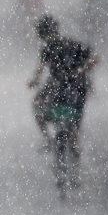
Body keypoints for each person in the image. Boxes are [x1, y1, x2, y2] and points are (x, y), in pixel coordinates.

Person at [26, 15, 98, 153]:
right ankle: (66, 142)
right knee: (43, 105)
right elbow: (40, 67)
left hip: (72, 85)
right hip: (64, 85)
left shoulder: (69, 45)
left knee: (42, 106)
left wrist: (81, 69)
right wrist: (35, 79)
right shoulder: (61, 46)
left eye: (40, 33)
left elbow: (94, 58)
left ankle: (52, 139)